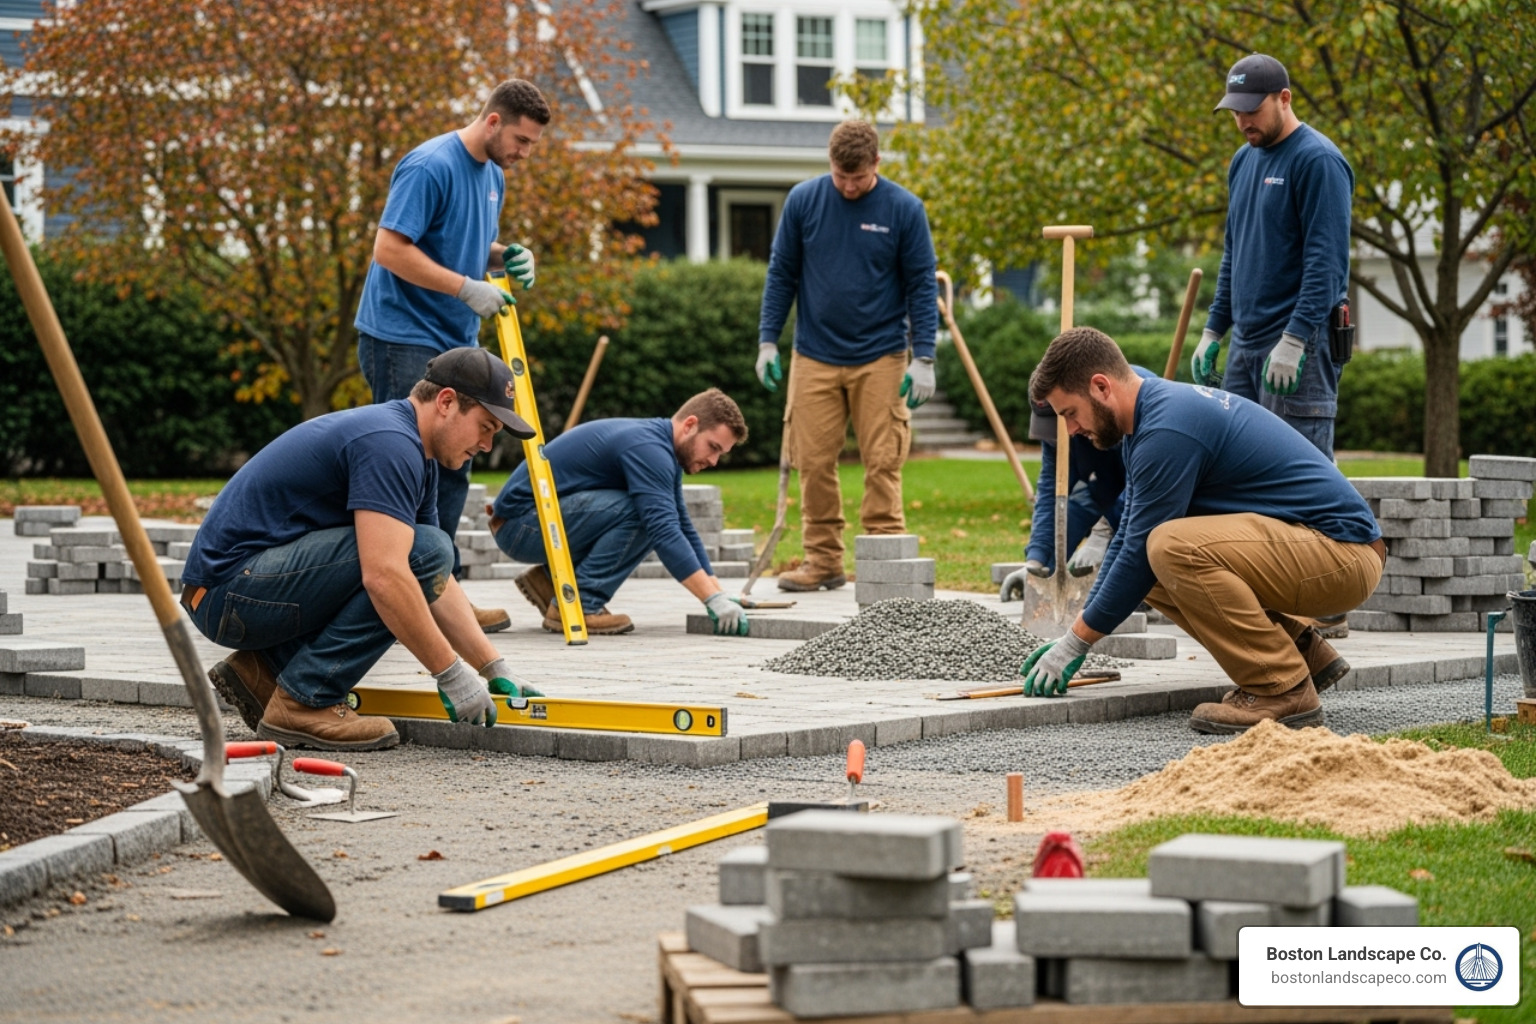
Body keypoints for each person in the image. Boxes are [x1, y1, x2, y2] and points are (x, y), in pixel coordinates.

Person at [1020, 327, 1384, 735]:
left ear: (1101, 386)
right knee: (1151, 568)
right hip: (1320, 550)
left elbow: (1142, 546)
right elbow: (1127, 541)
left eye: (1069, 413)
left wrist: (1075, 643)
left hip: (1343, 556)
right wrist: (1078, 632)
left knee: (1169, 547)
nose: (1070, 431)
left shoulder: (1166, 430)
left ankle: (1279, 687)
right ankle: (1302, 651)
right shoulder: (1148, 419)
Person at [181, 348, 545, 751]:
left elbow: (434, 581)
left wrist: (491, 666)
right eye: (486, 426)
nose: (488, 444)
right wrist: (450, 673)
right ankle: (304, 700)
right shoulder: (390, 444)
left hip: (235, 589)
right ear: (446, 402)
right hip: (229, 593)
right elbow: (390, 574)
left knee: (421, 553)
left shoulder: (414, 452)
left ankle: (265, 671)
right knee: (412, 559)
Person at [354, 78, 551, 634]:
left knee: (455, 463)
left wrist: (505, 255)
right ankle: (401, 598)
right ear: (492, 121)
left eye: (532, 144)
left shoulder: (492, 176)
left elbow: (459, 245)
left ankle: (442, 594)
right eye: (521, 140)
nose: (524, 153)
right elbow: (390, 249)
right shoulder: (430, 165)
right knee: (407, 468)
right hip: (402, 334)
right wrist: (467, 287)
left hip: (453, 338)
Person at [754, 119, 938, 592]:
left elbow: (921, 284)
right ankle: (823, 561)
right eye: (841, 176)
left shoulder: (904, 209)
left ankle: (885, 557)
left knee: (882, 459)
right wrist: (768, 340)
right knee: (812, 460)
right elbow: (781, 275)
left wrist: (925, 358)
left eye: (858, 177)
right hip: (814, 353)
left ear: (877, 163)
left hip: (882, 354)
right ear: (830, 164)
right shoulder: (803, 201)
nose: (849, 186)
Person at [1191, 53, 1354, 462]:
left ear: (1284, 98)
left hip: (1298, 344)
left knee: (1300, 476)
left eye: (1252, 109)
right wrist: (1214, 330)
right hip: (1245, 345)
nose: (1243, 121)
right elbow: (1235, 252)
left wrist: (1295, 339)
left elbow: (1326, 265)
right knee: (1236, 468)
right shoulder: (1242, 161)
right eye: (1235, 112)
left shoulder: (1317, 161)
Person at [490, 389, 752, 637]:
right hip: (522, 525)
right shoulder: (649, 450)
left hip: (525, 524)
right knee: (643, 514)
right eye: (713, 447)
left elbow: (682, 525)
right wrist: (710, 598)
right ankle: (581, 604)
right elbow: (664, 530)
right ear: (690, 425)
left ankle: (548, 582)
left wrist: (718, 591)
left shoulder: (658, 448)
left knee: (654, 512)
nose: (714, 461)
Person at [999, 369, 1155, 601]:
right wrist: (1036, 562)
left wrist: (1103, 534)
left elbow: (1147, 486)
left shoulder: (1128, 401)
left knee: (1126, 567)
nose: (1067, 434)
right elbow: (1052, 493)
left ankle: (1149, 593)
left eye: (1066, 418)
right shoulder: (1058, 433)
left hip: (1156, 503)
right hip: (1103, 487)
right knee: (1069, 515)